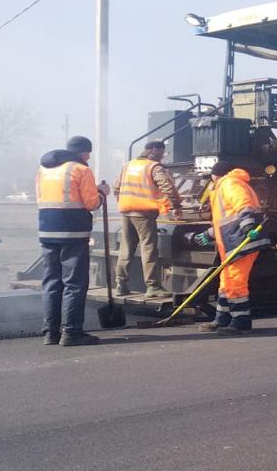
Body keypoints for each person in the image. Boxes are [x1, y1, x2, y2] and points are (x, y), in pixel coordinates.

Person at [36, 135, 109, 346]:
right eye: (88, 153)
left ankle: (51, 333)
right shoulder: (81, 170)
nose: (89, 156)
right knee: (74, 284)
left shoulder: (44, 169)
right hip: (73, 233)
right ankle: (71, 332)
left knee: (51, 282)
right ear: (83, 152)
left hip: (47, 231)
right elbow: (91, 203)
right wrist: (102, 193)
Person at [189, 161, 268, 334]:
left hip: (241, 241)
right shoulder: (224, 186)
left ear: (214, 175)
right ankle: (222, 319)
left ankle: (241, 321)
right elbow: (226, 219)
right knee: (225, 282)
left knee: (235, 282)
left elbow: (244, 205)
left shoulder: (230, 183)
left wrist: (248, 227)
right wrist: (209, 234)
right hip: (231, 242)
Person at [113, 140, 182, 298]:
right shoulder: (153, 167)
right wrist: (176, 205)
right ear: (153, 150)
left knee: (126, 249)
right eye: (161, 152)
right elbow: (167, 186)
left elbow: (116, 187)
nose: (162, 156)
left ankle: (120, 285)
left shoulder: (128, 165)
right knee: (148, 248)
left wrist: (126, 202)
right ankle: (152, 287)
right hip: (143, 213)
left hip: (126, 212)